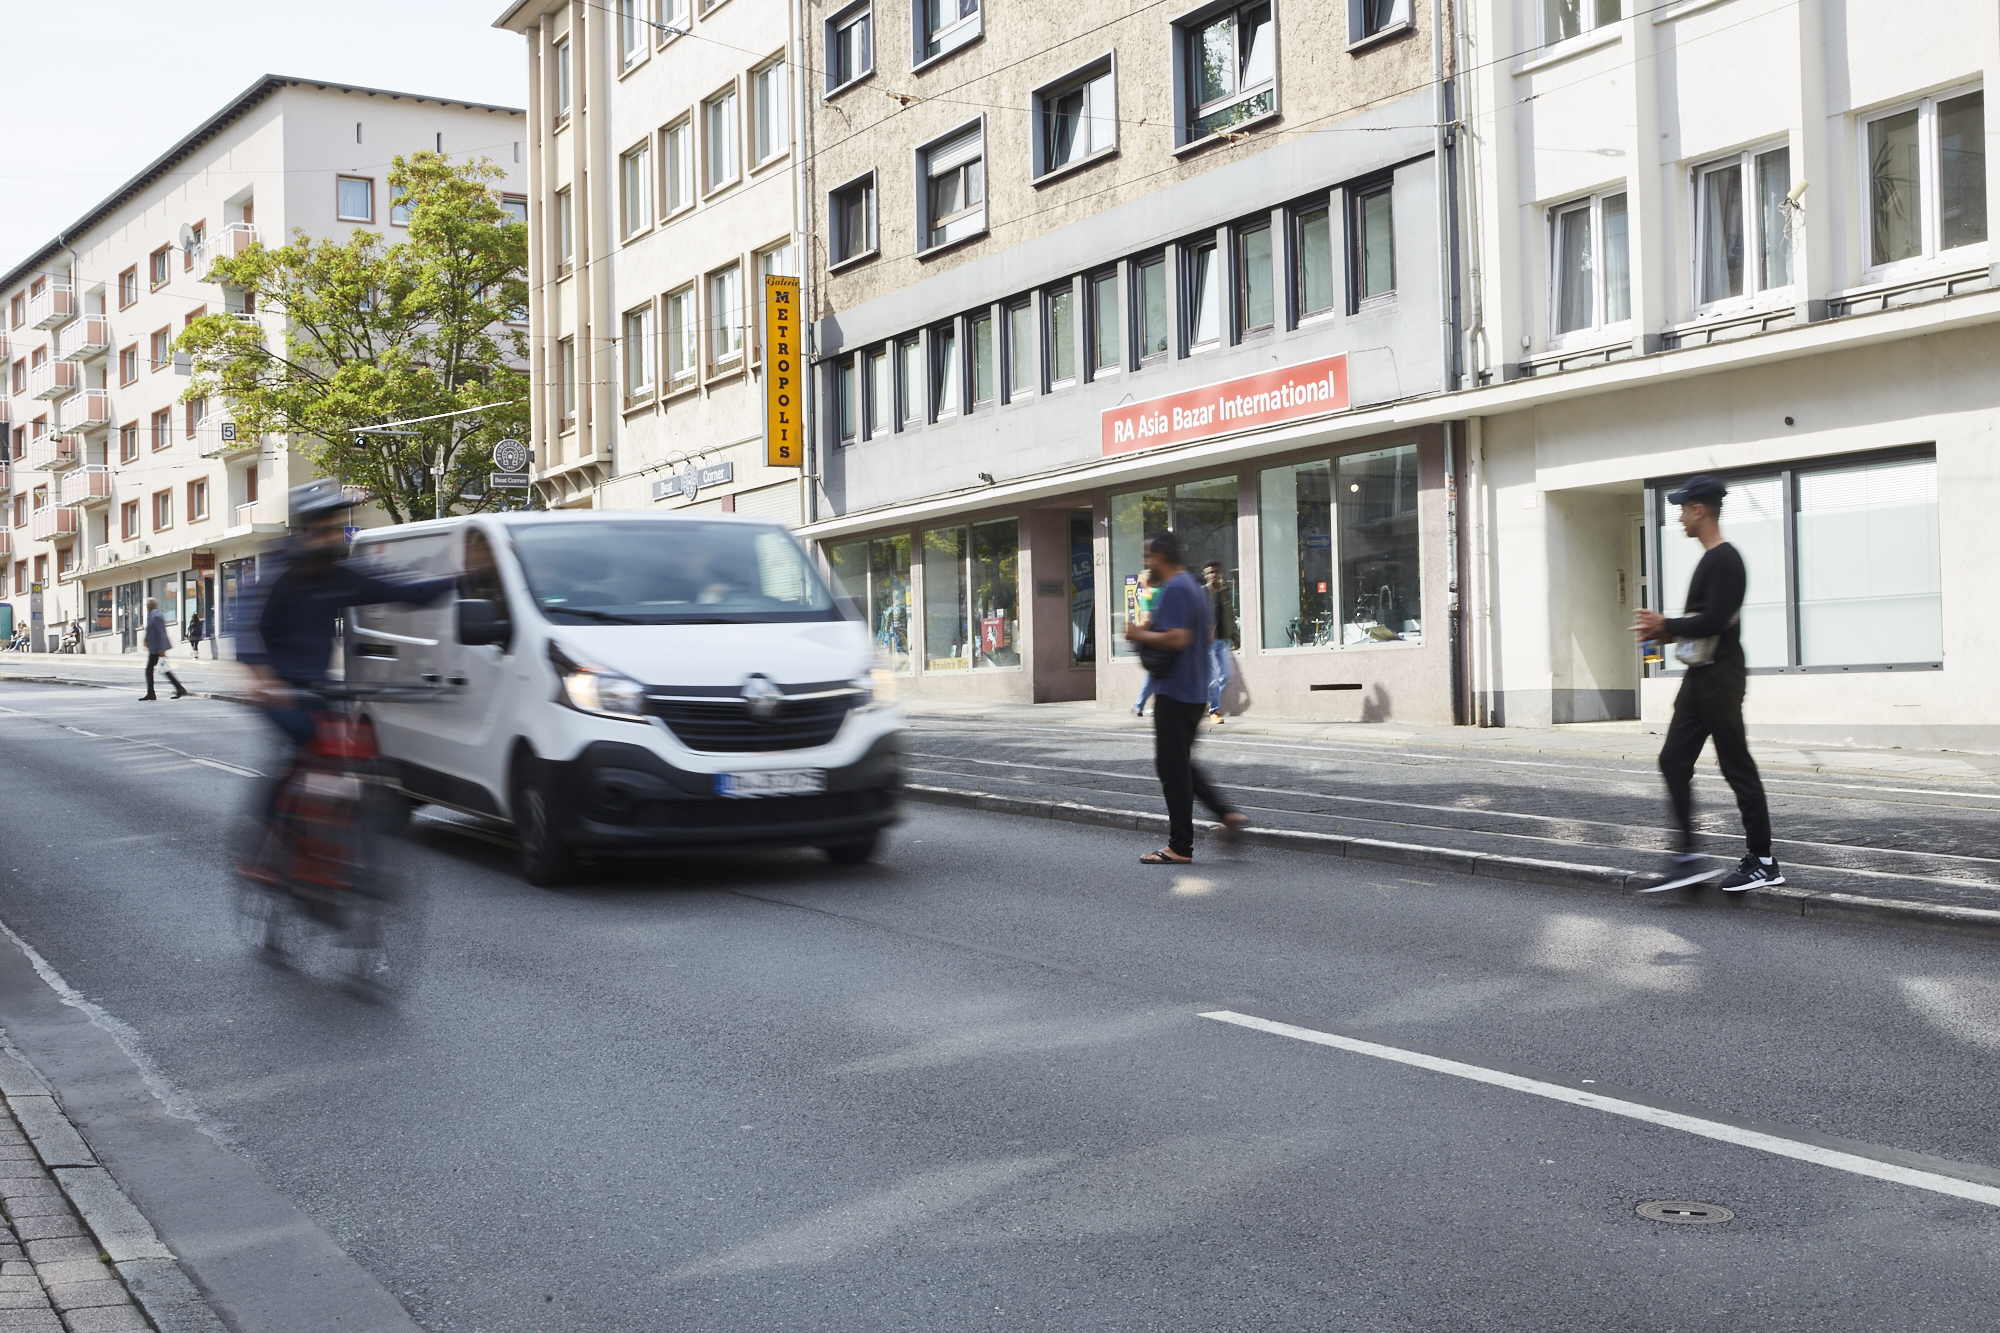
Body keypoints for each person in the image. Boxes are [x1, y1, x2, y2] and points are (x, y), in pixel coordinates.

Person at [242, 480, 460, 798]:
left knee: (355, 753)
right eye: (320, 528)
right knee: (310, 743)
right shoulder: (279, 574)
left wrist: (466, 576)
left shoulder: (340, 575)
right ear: (303, 532)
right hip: (282, 692)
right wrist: (264, 680)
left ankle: (348, 833)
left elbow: (407, 593)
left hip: (320, 687)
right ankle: (272, 824)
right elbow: (248, 629)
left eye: (332, 527)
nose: (328, 536)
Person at [1632, 474, 1780, 893]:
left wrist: (1668, 625)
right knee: (1673, 760)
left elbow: (1715, 618)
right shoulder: (1710, 560)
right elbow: (1704, 623)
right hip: (1701, 677)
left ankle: (1763, 860)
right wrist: (1667, 631)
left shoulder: (1726, 560)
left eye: (1682, 508)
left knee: (1737, 767)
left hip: (1721, 677)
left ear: (1700, 510)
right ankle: (1687, 859)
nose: (1678, 516)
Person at [1124, 530, 1246, 864]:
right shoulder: (1194, 588)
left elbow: (1177, 638)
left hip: (1175, 691)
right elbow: (1203, 635)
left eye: (1149, 556)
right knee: (1180, 765)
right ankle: (1226, 814)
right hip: (1194, 690)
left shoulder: (1176, 588)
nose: (1147, 563)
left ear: (1160, 557)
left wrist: (1139, 633)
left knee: (1171, 768)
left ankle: (1180, 846)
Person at [1203, 561, 1236, 723]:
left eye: (1216, 572)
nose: (1213, 575)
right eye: (1210, 572)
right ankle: (1214, 712)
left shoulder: (1224, 592)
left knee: (1226, 675)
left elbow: (1230, 615)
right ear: (1205, 575)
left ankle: (1209, 701)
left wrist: (1235, 637)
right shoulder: (1202, 592)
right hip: (1206, 643)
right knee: (1213, 679)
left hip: (1222, 641)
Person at [141, 599, 186, 700]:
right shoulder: (153, 615)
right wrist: (146, 639)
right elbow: (151, 630)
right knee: (163, 670)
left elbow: (161, 633)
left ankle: (152, 693)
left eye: (148, 605)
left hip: (157, 649)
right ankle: (179, 688)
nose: (147, 607)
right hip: (154, 648)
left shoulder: (156, 616)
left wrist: (161, 650)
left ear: (152, 605)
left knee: (151, 671)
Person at [1129, 568, 1158, 717]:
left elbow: (1146, 619)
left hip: (1153, 640)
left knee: (1152, 675)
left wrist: (1136, 633)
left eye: (1142, 581)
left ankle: (1139, 706)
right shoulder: (1166, 592)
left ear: (1146, 581)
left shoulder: (1147, 595)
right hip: (1170, 639)